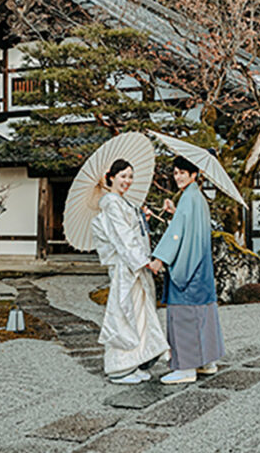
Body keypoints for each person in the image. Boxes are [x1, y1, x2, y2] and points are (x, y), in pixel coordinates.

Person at [91, 158, 170, 384]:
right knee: (124, 314)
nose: (128, 181)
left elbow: (130, 230)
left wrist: (141, 219)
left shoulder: (122, 202)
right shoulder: (111, 203)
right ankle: (118, 367)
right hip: (127, 268)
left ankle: (133, 362)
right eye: (123, 176)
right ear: (111, 177)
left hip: (133, 266)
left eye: (130, 176)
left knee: (138, 315)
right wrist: (144, 261)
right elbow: (122, 237)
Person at [151, 155, 225, 384]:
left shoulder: (188, 198)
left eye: (183, 172)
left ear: (194, 174)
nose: (178, 176)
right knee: (203, 315)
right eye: (175, 173)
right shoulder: (197, 198)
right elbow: (188, 225)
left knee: (183, 317)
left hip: (188, 268)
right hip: (202, 267)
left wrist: (160, 259)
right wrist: (175, 212)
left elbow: (177, 233)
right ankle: (206, 361)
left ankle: (185, 368)